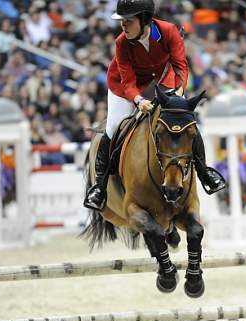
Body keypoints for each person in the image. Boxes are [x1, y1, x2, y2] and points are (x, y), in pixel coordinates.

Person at [84, 0, 226, 211]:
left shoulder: (168, 32)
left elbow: (180, 66)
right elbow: (128, 81)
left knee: (186, 120)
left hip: (159, 82)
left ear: (144, 20)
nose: (123, 25)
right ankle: (99, 187)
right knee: (113, 128)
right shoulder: (122, 42)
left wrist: (179, 91)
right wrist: (138, 101)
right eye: (122, 21)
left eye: (128, 21)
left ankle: (205, 172)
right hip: (123, 87)